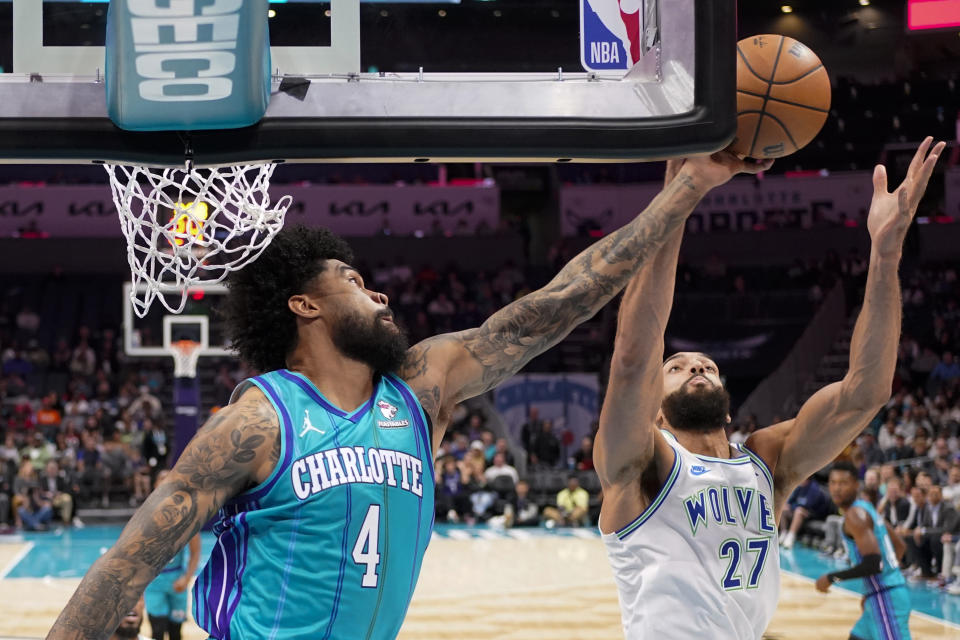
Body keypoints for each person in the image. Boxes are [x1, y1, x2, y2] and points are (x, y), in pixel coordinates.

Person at [49, 147, 760, 639]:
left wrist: (687, 188)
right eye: (353, 282)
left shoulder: (419, 390)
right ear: (305, 307)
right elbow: (126, 563)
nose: (378, 288)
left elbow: (561, 302)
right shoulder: (260, 422)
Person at [593, 138, 943, 638]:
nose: (696, 368)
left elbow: (866, 392)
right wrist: (679, 190)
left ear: (730, 409)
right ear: (657, 415)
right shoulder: (642, 464)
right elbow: (632, 355)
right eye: (677, 367)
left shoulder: (766, 463)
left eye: (706, 366)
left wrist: (886, 256)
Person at [815, 462, 911, 640]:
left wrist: (830, 578)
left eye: (843, 483)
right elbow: (899, 546)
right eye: (833, 483)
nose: (837, 488)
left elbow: (873, 564)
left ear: (856, 485)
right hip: (879, 596)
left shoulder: (855, 515)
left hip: (886, 599)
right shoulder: (867, 508)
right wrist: (877, 587)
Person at [143, 473, 201, 640]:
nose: (166, 482)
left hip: (177, 581)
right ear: (155, 486)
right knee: (157, 631)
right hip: (154, 582)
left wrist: (187, 578)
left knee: (176, 632)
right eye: (161, 478)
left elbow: (195, 552)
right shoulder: (145, 517)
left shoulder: (187, 517)